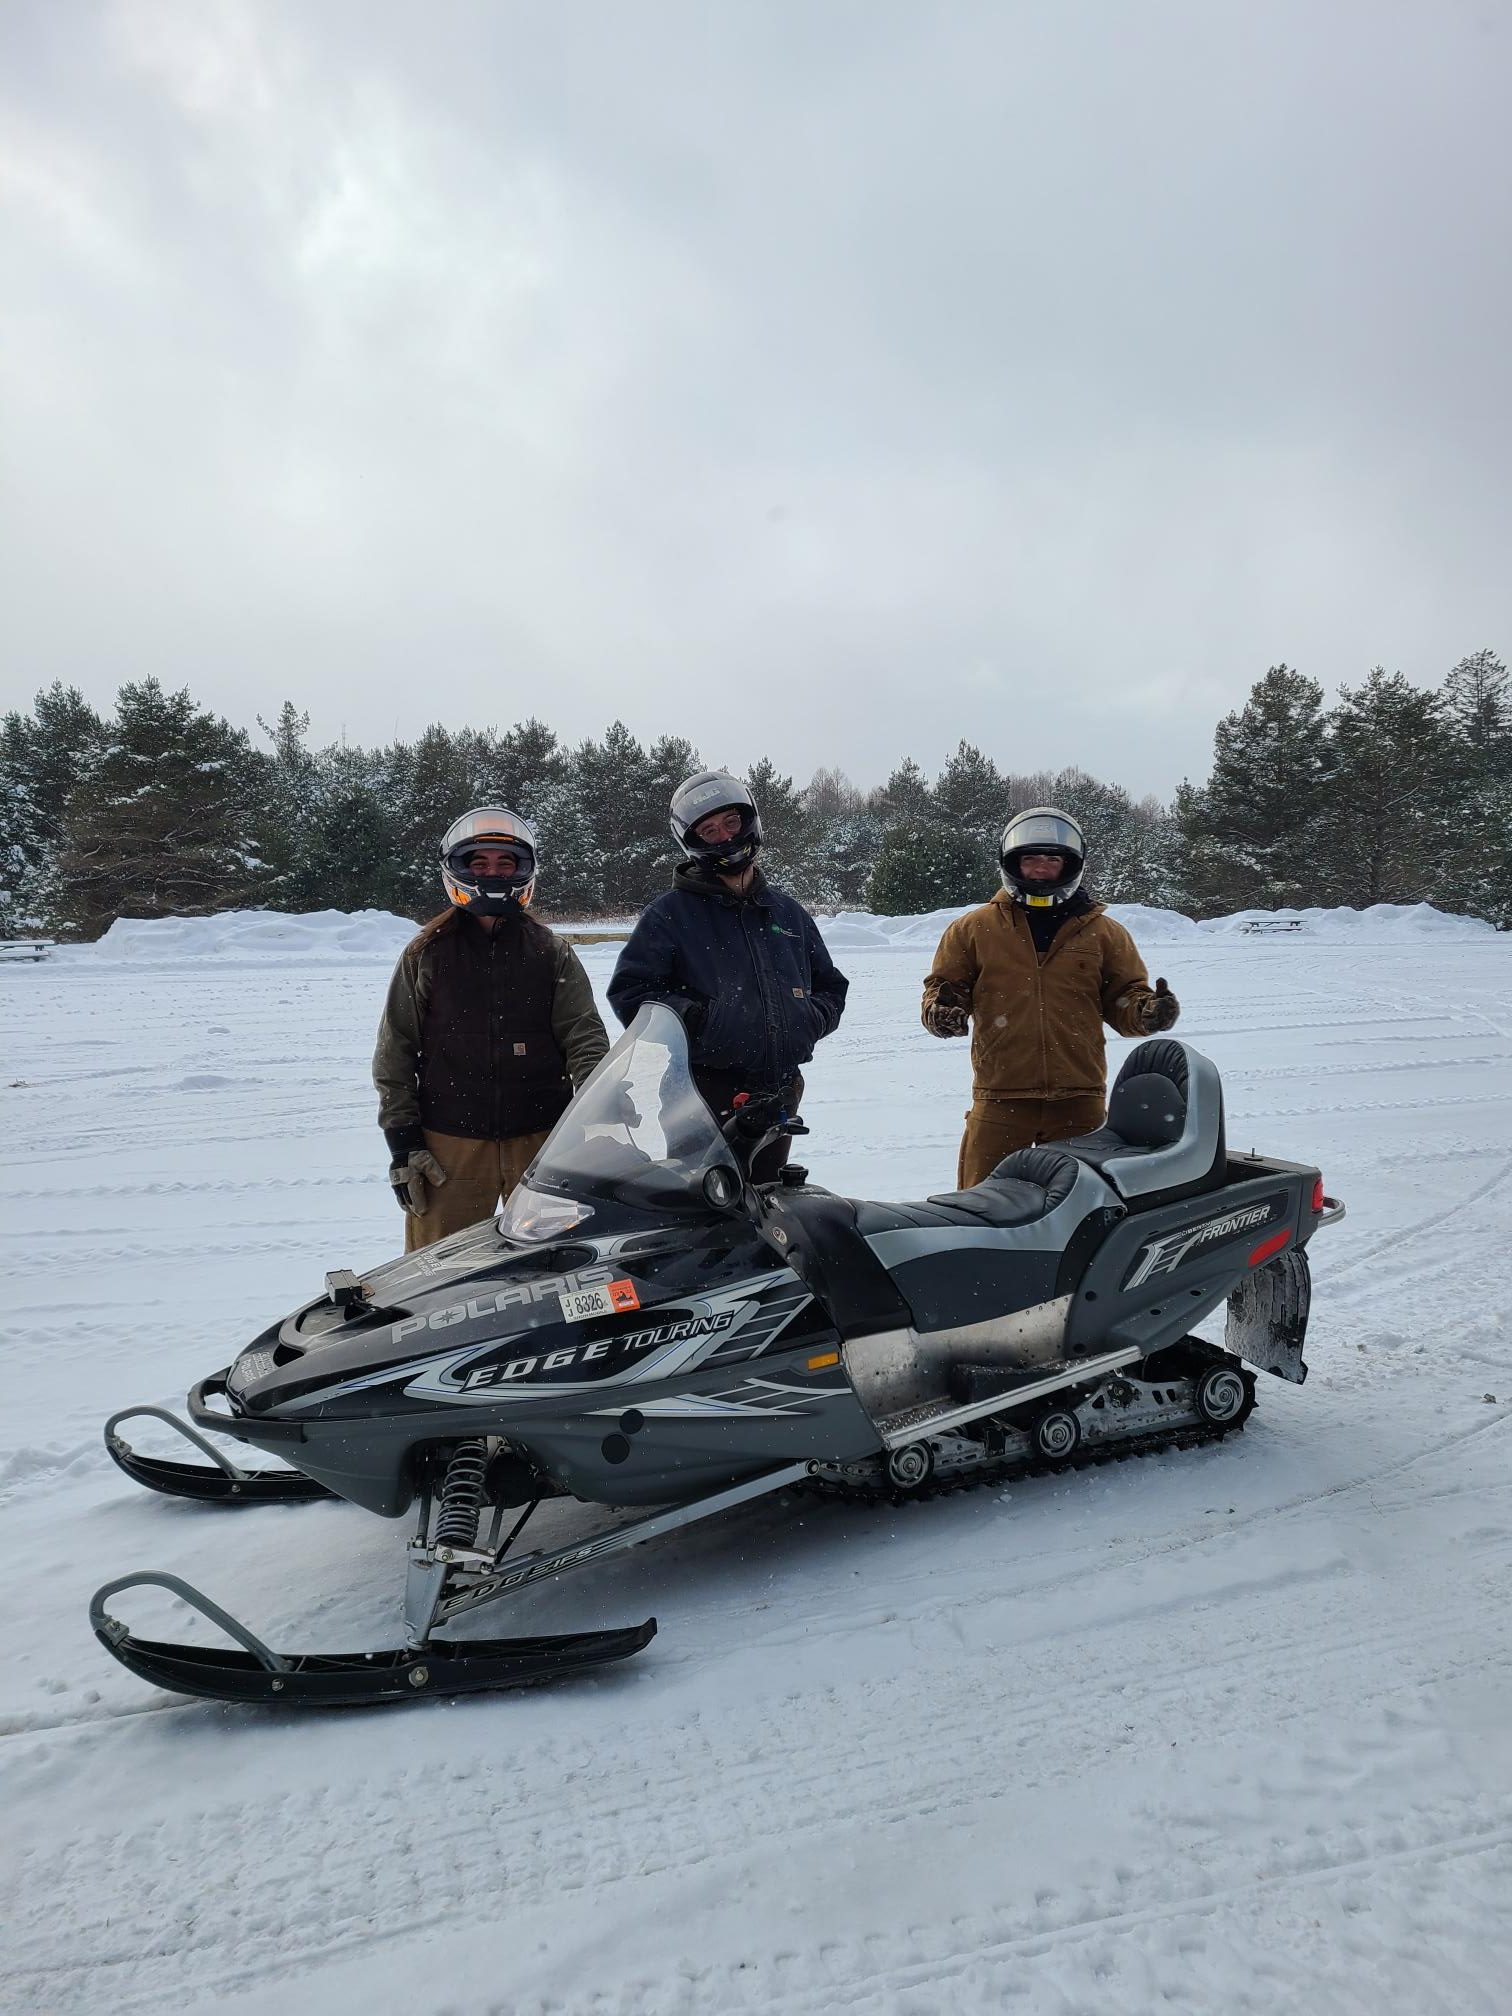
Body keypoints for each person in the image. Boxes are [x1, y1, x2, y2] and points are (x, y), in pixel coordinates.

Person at [373, 806, 609, 1250]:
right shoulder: (427, 953)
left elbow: (585, 1039)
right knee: (439, 1272)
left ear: (524, 871)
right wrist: (403, 1143)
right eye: (479, 863)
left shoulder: (550, 951)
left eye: (505, 863)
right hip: (450, 1142)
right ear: (457, 870)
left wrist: (595, 1118)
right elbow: (395, 1051)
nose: (493, 872)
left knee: (557, 1263)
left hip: (542, 1138)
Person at [608, 769, 849, 1181]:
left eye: (731, 822)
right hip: (701, 1090)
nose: (724, 836)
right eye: (709, 829)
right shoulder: (670, 915)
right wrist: (699, 1021)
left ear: (749, 821)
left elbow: (830, 986)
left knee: (767, 1205)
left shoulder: (786, 912)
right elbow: (632, 992)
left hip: (780, 1087)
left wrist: (806, 1020)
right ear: (693, 841)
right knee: (701, 1207)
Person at [921, 805, 1180, 1188]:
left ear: (1070, 865)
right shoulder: (973, 929)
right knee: (978, 1203)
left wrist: (1147, 1012)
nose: (1041, 869)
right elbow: (943, 988)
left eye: (1051, 859)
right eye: (1030, 860)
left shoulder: (1104, 933)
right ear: (1012, 864)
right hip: (1000, 1096)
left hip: (1078, 1098)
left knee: (1084, 1206)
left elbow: (1125, 996)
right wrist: (943, 1012)